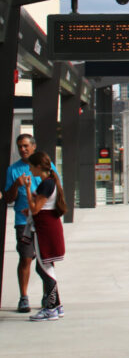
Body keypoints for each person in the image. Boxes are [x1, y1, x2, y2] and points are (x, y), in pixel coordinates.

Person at [25, 151, 66, 321]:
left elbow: (35, 209)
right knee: (46, 267)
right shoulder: (51, 182)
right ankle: (56, 305)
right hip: (50, 226)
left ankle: (50, 308)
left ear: (38, 167)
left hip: (44, 229)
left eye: (31, 166)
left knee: (43, 268)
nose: (29, 169)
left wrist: (27, 189)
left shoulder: (46, 184)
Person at [4, 134, 41, 313]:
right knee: (25, 257)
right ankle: (24, 297)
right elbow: (9, 198)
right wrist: (15, 186)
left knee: (45, 260)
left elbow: (56, 190)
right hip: (23, 221)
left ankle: (49, 295)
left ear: (33, 147)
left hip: (43, 220)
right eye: (20, 146)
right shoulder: (13, 170)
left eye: (26, 146)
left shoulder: (44, 166)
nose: (23, 149)